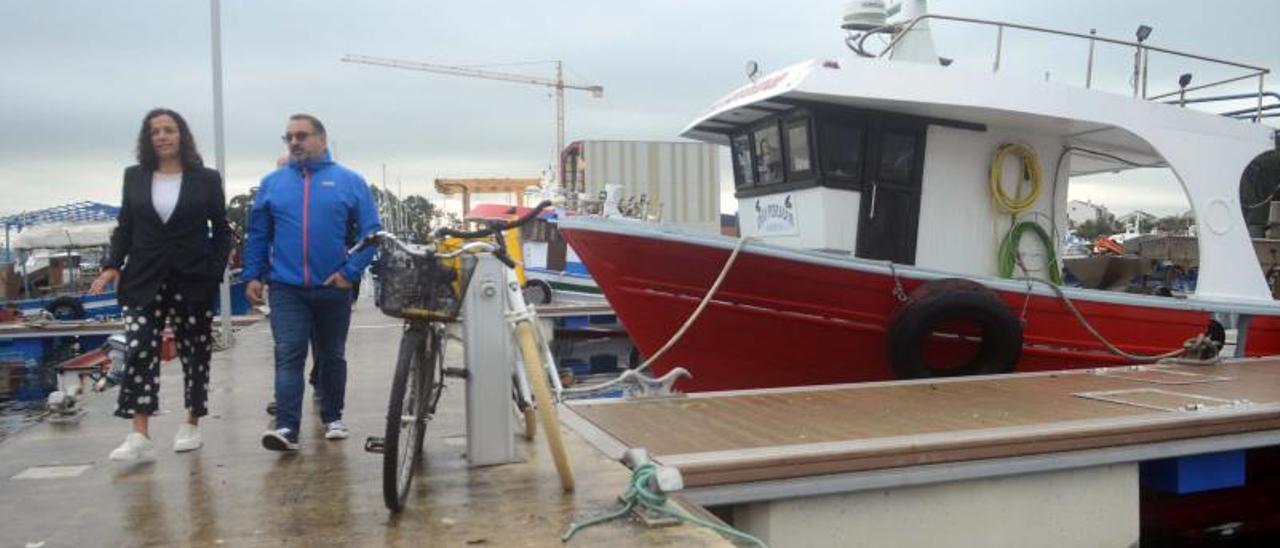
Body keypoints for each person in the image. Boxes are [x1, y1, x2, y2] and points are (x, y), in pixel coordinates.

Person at [91, 108, 232, 462]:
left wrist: (215, 270)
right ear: (147, 138)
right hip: (144, 275)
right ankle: (139, 433)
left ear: (181, 135)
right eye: (155, 131)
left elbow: (222, 229)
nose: (162, 136)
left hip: (193, 277)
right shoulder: (134, 177)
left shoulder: (206, 179)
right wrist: (112, 265)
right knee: (138, 347)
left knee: (194, 349)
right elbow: (125, 226)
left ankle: (192, 422)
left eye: (169, 130)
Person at [243, 114, 381, 451]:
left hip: (333, 286)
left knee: (332, 355)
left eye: (302, 136)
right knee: (288, 354)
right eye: (288, 137)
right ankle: (287, 428)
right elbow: (259, 234)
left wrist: (350, 272)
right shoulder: (272, 184)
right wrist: (253, 275)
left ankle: (333, 416)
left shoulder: (350, 181)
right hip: (287, 288)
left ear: (322, 139)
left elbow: (372, 234)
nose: (294, 143)